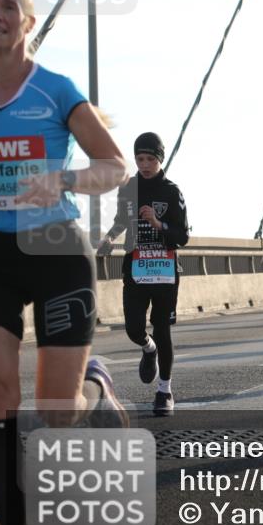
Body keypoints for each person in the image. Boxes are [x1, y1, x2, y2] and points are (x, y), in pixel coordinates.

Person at [0, 0, 129, 525]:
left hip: (55, 250)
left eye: (7, 6)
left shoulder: (56, 90)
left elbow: (116, 166)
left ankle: (94, 389)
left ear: (27, 23)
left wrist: (63, 180)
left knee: (55, 410)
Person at [97, 133, 190, 417]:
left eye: (151, 159)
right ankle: (147, 350)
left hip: (163, 270)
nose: (145, 164)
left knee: (162, 329)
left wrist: (158, 222)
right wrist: (110, 238)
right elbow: (121, 221)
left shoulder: (172, 192)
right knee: (133, 328)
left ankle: (164, 391)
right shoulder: (128, 189)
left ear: (160, 159)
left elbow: (183, 236)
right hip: (136, 267)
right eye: (140, 159)